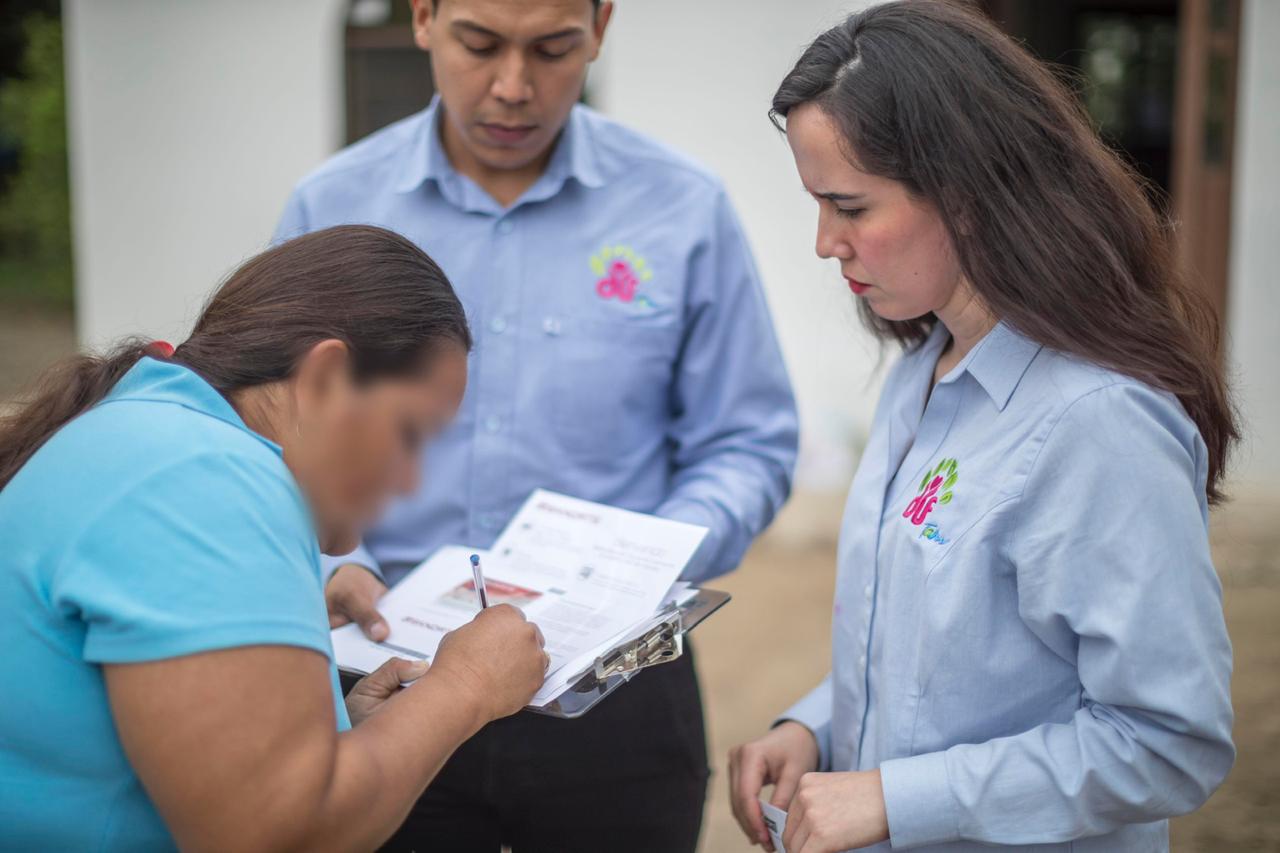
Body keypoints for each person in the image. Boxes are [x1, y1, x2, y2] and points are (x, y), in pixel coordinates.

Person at [274, 0, 798, 850]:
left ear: (600, 27)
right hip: (386, 679)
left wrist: (641, 564)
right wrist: (337, 560)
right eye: (479, 44)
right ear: (422, 19)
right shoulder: (331, 207)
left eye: (553, 49)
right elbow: (276, 430)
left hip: (616, 694)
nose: (513, 87)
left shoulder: (683, 208)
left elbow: (749, 440)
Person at [728, 2, 1236, 851]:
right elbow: (937, 654)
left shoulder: (1098, 422)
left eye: (849, 207)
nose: (825, 243)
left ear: (966, 192)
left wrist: (900, 797)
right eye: (817, 205)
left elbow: (1170, 741)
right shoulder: (924, 366)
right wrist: (816, 728)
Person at [0, 225, 550, 851]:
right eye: (410, 432)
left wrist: (344, 731)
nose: (409, 482)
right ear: (323, 380)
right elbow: (274, 836)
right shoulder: (205, 477)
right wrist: (467, 687)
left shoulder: (157, 435)